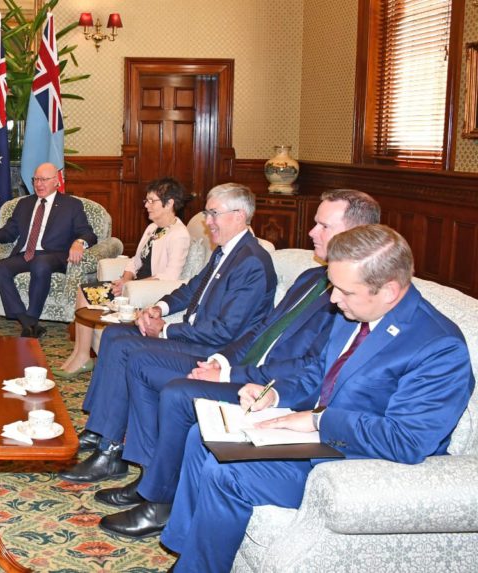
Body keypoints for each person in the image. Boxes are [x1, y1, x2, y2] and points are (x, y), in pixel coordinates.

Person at [160, 224, 475, 572]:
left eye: (344, 291)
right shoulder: (352, 314)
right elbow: (317, 375)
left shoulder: (438, 347)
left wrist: (316, 420)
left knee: (227, 474)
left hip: (360, 462)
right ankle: (186, 554)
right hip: (316, 441)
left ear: (388, 291)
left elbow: (407, 440)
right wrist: (273, 395)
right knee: (201, 436)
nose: (334, 299)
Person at [89, 190, 381, 539]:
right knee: (131, 352)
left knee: (172, 387)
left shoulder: (354, 300)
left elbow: (307, 370)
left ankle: (158, 498)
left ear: (357, 233)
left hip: (267, 386)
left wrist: (226, 369)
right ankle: (140, 470)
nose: (311, 232)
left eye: (322, 225)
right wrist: (221, 362)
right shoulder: (310, 279)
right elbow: (262, 329)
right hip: (237, 362)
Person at [60, 182, 276, 483]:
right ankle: (101, 430)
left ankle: (111, 451)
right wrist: (159, 308)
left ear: (239, 216)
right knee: (113, 335)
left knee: (127, 349)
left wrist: (165, 331)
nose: (207, 221)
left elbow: (225, 330)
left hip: (214, 353)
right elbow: (189, 289)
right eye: (207, 213)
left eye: (214, 214)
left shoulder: (251, 262)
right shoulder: (226, 252)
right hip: (196, 336)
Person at [55, 177, 191, 377]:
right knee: (84, 291)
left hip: (146, 293)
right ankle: (80, 354)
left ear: (169, 203)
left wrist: (131, 285)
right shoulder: (153, 228)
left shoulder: (179, 234)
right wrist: (126, 278)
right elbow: (135, 260)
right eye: (146, 200)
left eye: (152, 201)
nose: (146, 205)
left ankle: (82, 357)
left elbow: (170, 276)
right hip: (132, 286)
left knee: (89, 294)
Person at [0, 162, 98, 339]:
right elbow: (8, 232)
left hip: (55, 255)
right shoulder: (24, 204)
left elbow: (88, 232)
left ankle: (31, 318)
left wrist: (79, 242)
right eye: (36, 179)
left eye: (44, 179)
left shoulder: (71, 205)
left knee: (41, 263)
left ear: (57, 181)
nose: (39, 184)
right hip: (26, 254)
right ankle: (28, 323)